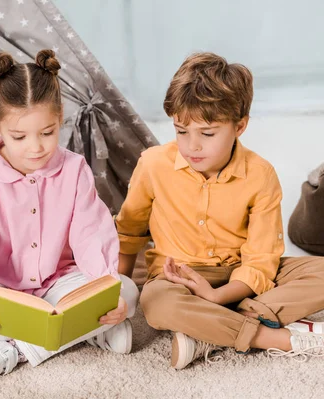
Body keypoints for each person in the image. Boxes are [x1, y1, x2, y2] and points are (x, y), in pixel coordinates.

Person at [116, 52, 324, 370]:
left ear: (239, 126)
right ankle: (270, 337)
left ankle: (207, 332)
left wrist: (217, 297)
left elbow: (261, 258)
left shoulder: (261, 174)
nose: (192, 146)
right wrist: (120, 288)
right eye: (181, 131)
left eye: (207, 133)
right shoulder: (153, 164)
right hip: (178, 277)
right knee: (156, 303)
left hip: (243, 274)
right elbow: (129, 231)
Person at [0, 49, 139, 389]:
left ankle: (9, 352)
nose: (35, 148)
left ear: (60, 118)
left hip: (61, 282)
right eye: (20, 137)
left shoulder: (74, 169)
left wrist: (107, 289)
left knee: (127, 290)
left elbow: (92, 235)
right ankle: (86, 332)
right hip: (5, 290)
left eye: (47, 132)